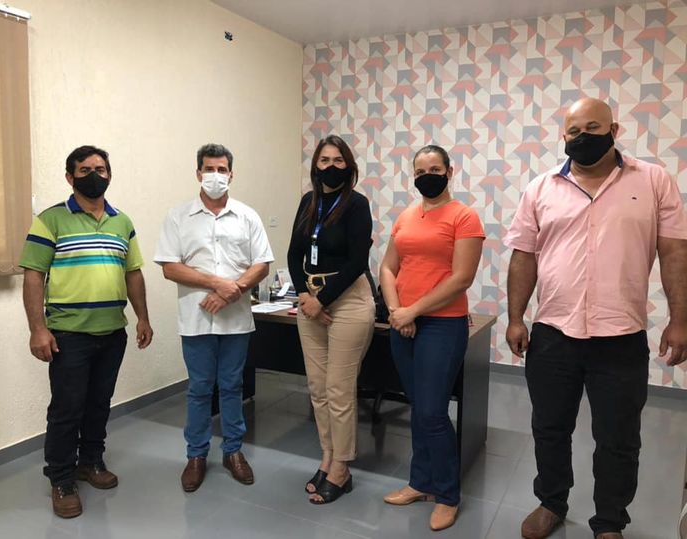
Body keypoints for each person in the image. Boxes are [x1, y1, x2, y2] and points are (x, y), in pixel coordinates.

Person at [504, 97, 687, 539]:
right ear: (563, 135)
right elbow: (524, 256)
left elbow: (674, 252)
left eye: (593, 127)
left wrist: (680, 319)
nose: (582, 137)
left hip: (620, 336)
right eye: (574, 130)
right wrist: (515, 318)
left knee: (619, 438)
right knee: (549, 428)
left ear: (614, 130)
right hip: (553, 333)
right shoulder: (541, 188)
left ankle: (609, 521)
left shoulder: (653, 181)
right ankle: (551, 502)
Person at [20, 145, 153, 519]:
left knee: (99, 402)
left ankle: (91, 461)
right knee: (67, 408)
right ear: (70, 177)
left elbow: (133, 273)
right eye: (84, 170)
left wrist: (143, 318)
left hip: (112, 332)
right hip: (69, 335)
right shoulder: (50, 220)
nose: (94, 175)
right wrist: (37, 329)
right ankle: (61, 478)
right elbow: (33, 276)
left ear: (110, 174)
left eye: (100, 169)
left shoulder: (122, 222)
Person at [154, 143, 273, 493]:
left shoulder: (247, 216)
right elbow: (170, 267)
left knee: (233, 386)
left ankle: (233, 451)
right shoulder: (178, 217)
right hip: (195, 319)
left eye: (222, 170)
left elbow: (262, 264)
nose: (215, 176)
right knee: (200, 388)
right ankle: (196, 455)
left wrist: (231, 290)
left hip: (236, 320)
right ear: (198, 173)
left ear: (231, 175)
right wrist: (216, 283)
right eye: (209, 169)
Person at [379, 145, 484, 531]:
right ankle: (420, 482)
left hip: (442, 325)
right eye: (421, 171)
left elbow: (461, 278)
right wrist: (397, 311)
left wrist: (414, 311)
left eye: (435, 169)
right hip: (403, 323)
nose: (428, 176)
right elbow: (387, 268)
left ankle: (447, 495)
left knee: (433, 412)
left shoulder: (464, 216)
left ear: (449, 172)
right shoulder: (407, 216)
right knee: (418, 406)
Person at [286, 134, 375, 504]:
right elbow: (293, 254)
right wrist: (305, 296)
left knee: (339, 390)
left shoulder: (357, 204)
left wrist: (321, 300)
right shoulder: (308, 202)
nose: (331, 166)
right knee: (318, 388)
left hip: (348, 300)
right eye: (325, 160)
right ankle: (327, 457)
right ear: (315, 166)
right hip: (310, 299)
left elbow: (357, 261)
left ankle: (342, 466)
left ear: (349, 166)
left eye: (339, 160)